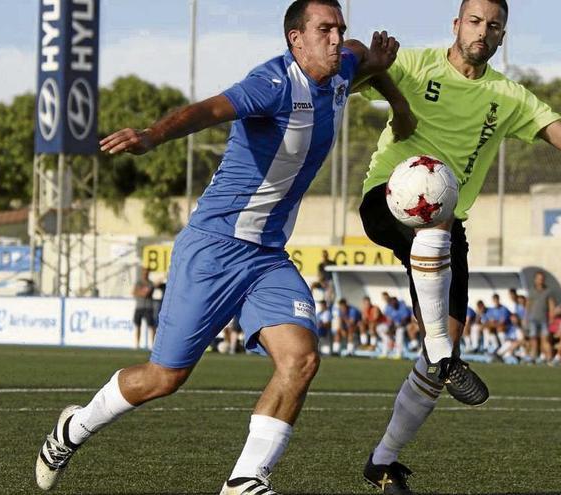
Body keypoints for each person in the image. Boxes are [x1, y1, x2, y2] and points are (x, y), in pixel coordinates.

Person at [33, 2, 404, 493]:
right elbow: (207, 110)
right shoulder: (272, 83)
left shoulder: (344, 65)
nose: (336, 38)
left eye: (339, 28)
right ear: (296, 39)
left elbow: (370, 61)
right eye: (323, 30)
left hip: (267, 258)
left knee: (301, 359)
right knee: (164, 378)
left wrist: (397, 100)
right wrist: (151, 135)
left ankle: (246, 479)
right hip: (215, 247)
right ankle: (71, 430)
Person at [356, 0, 561, 491]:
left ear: (502, 37)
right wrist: (367, 63)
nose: (482, 31)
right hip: (388, 197)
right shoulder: (414, 64)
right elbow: (356, 64)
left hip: (447, 223)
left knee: (444, 336)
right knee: (432, 242)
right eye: (474, 21)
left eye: (494, 25)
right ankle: (445, 355)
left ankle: (383, 460)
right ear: (456, 24)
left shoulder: (509, 97)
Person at [527, 271, 557, 364]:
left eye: (542, 279)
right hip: (533, 318)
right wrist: (525, 317)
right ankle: (533, 358)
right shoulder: (531, 290)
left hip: (543, 318)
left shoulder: (548, 291)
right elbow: (528, 304)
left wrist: (552, 316)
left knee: (545, 339)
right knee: (533, 339)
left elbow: (551, 304)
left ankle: (549, 359)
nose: (540, 281)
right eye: (538, 279)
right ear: (535, 280)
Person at [131, 267, 156, 349]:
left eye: (147, 273)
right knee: (138, 325)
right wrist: (141, 292)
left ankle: (152, 345)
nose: (145, 274)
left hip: (148, 307)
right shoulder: (138, 282)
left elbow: (145, 293)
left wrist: (140, 292)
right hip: (139, 307)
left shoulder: (150, 283)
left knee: (151, 326)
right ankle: (137, 344)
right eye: (144, 272)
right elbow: (134, 292)